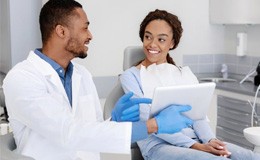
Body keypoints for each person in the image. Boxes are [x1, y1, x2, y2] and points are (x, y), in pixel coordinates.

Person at [2, 1, 194, 160]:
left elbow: (92, 129)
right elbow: (68, 133)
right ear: (61, 32)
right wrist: (153, 125)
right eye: (85, 28)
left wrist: (114, 121)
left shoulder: (82, 75)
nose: (90, 35)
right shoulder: (22, 78)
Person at [120, 9, 260, 160]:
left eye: (161, 39)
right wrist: (196, 147)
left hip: (197, 140)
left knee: (250, 156)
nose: (152, 44)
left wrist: (211, 141)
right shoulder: (131, 76)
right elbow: (148, 122)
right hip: (158, 146)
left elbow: (198, 117)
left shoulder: (183, 74)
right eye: (148, 37)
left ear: (172, 43)